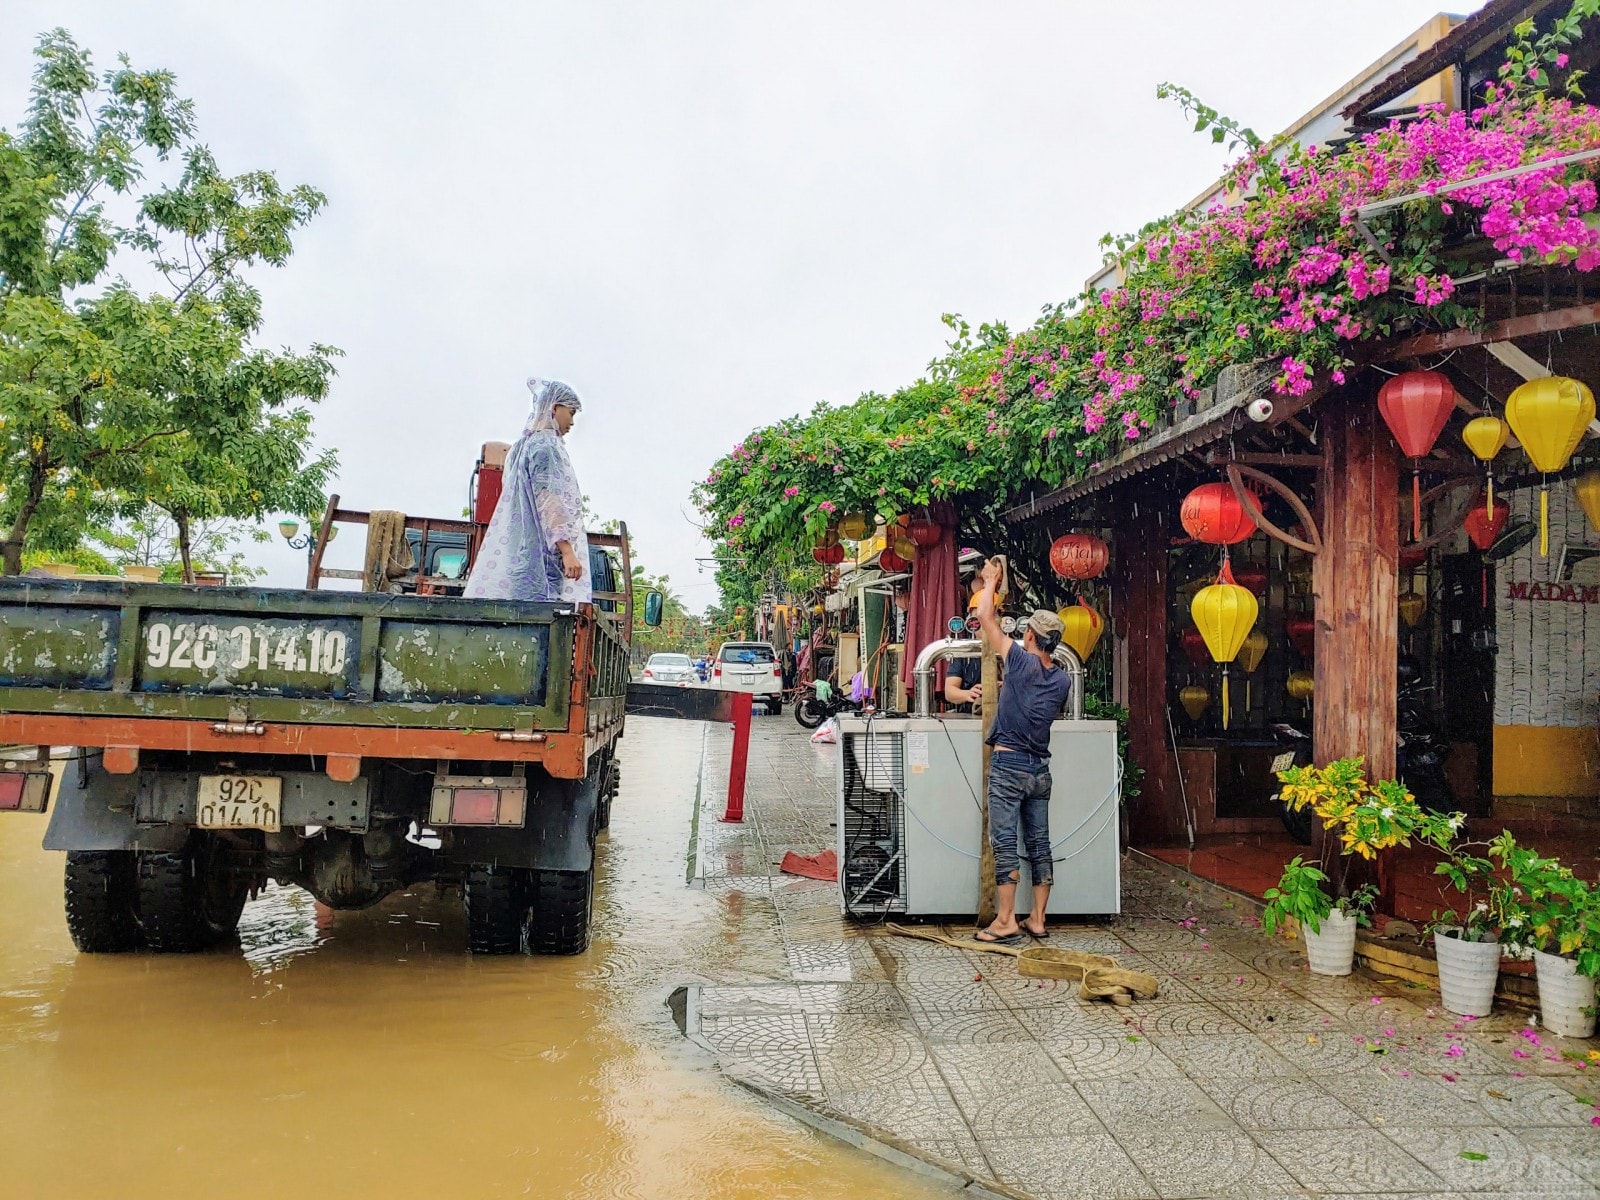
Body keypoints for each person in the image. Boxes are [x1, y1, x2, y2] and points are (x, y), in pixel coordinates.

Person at [969, 559, 1072, 944]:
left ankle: (1007, 919)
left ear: (1030, 637)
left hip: (1009, 764)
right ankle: (1039, 919)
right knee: (1039, 842)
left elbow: (983, 615)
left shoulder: (1020, 662)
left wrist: (991, 580)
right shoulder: (1061, 679)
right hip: (1039, 771)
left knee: (1005, 840)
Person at [465, 378, 591, 603]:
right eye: (571, 413)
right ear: (555, 408)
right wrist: (567, 550)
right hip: (539, 561)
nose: (572, 422)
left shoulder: (522, 447)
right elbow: (548, 499)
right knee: (541, 622)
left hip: (518, 556)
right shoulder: (546, 447)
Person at [943, 572, 987, 711]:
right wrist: (968, 694)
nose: (983, 624)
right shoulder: (964, 650)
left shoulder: (1012, 649)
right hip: (969, 716)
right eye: (977, 619)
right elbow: (950, 691)